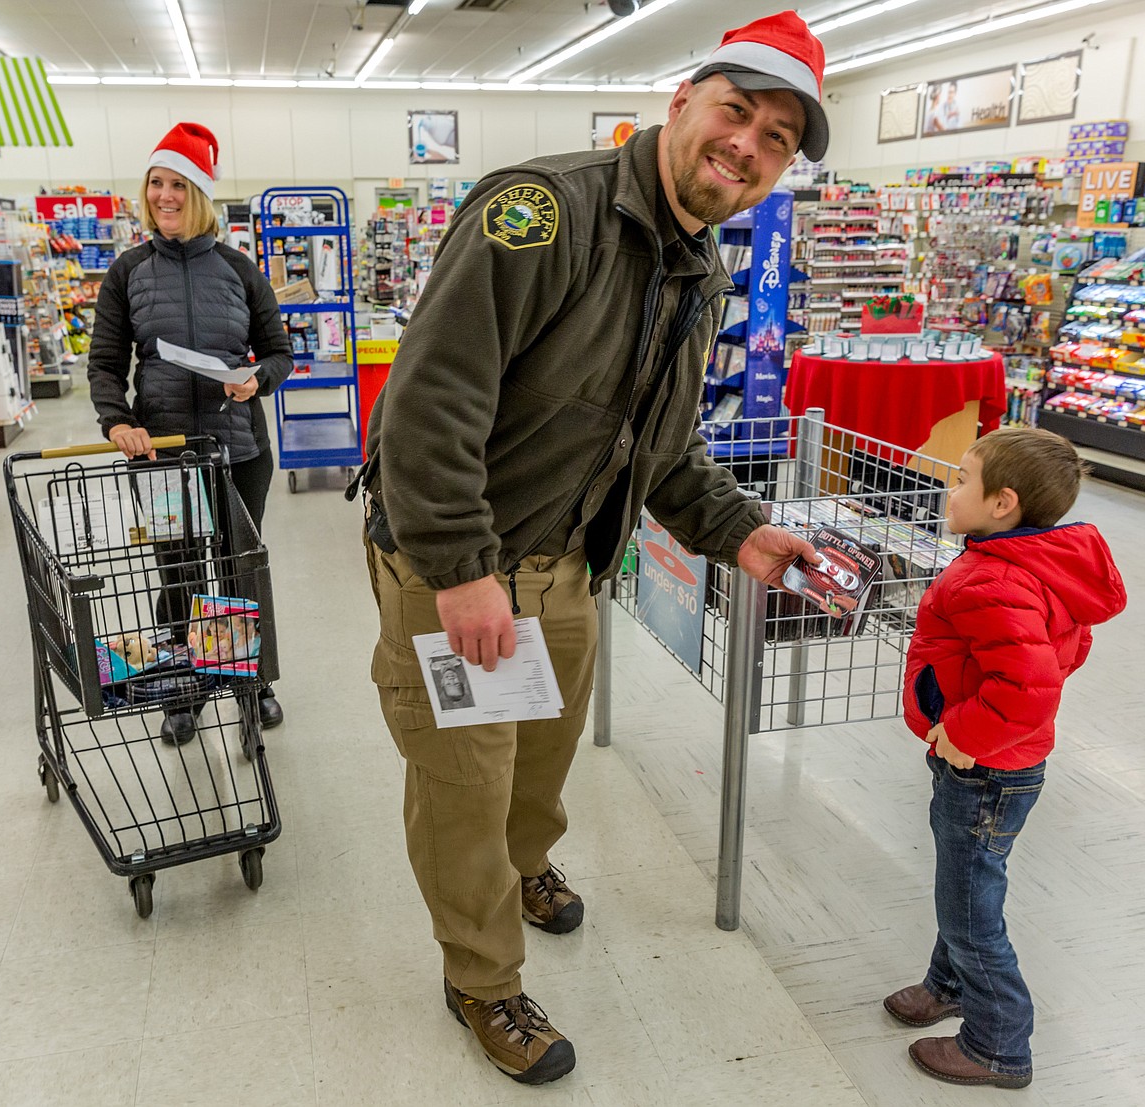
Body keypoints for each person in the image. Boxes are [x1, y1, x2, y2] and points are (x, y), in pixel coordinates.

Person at [354, 10, 832, 1086]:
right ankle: (480, 978)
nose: (748, 146)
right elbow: (429, 400)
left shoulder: (696, 265)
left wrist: (742, 530)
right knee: (465, 783)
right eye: (737, 112)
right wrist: (462, 567)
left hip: (565, 564)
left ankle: (521, 869)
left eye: (777, 139)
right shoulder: (540, 211)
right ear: (682, 103)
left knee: (541, 758)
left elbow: (660, 447)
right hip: (458, 567)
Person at [885, 427, 1126, 1089]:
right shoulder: (1028, 562)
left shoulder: (997, 579)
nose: (947, 485)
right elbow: (1064, 652)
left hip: (984, 767)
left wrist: (961, 730)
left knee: (969, 904)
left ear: (1002, 502)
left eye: (962, 476)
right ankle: (948, 982)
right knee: (962, 884)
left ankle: (997, 1043)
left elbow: (1028, 689)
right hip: (997, 763)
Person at [88, 122, 293, 744]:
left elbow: (278, 352)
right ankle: (187, 685)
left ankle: (249, 681)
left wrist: (256, 378)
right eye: (156, 182)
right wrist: (118, 419)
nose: (165, 196)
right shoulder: (128, 272)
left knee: (236, 568)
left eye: (178, 184)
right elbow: (104, 362)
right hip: (166, 452)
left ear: (199, 193)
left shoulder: (239, 269)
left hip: (239, 450)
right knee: (178, 573)